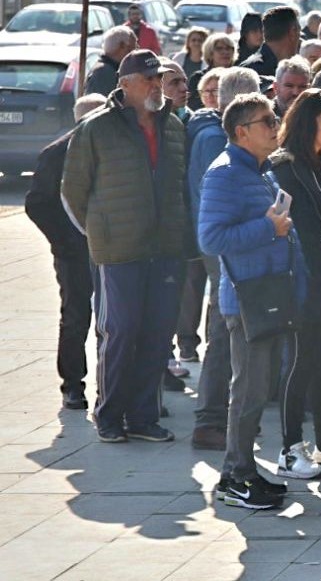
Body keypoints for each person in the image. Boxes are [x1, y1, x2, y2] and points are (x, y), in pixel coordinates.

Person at [62, 50, 191, 444]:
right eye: (148, 79)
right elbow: (72, 192)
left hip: (166, 249)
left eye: (159, 78)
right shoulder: (96, 129)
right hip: (119, 252)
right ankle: (110, 415)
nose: (156, 85)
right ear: (125, 84)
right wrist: (101, 231)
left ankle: (143, 416)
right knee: (120, 332)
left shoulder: (172, 127)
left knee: (156, 334)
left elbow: (181, 187)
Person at [198, 93, 317, 510]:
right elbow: (210, 239)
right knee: (248, 391)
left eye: (274, 118)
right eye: (265, 121)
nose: (274, 125)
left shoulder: (261, 170)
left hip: (271, 292)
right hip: (248, 299)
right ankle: (234, 476)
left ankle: (245, 469)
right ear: (240, 131)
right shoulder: (225, 173)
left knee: (258, 387)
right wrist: (267, 229)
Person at [270, 88, 321, 477]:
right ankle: (288, 447)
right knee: (301, 362)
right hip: (302, 276)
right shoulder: (285, 164)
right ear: (307, 123)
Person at [186, 67, 262, 451]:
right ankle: (211, 419)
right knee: (221, 330)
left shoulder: (212, 135)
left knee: (224, 327)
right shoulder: (214, 139)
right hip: (222, 248)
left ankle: (220, 416)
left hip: (224, 245)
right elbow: (214, 206)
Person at [27, 93, 107, 411]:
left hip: (110, 246)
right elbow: (37, 203)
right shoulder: (56, 152)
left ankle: (110, 384)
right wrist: (64, 242)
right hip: (74, 251)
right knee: (75, 317)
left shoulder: (110, 149)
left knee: (112, 318)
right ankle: (73, 385)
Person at [240, 7, 301, 81]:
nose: (300, 37)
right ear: (293, 31)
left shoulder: (248, 69)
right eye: (299, 30)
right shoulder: (252, 72)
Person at [86, 27, 136, 97]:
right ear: (122, 46)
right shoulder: (103, 73)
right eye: (133, 47)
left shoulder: (110, 69)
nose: (135, 52)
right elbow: (100, 104)